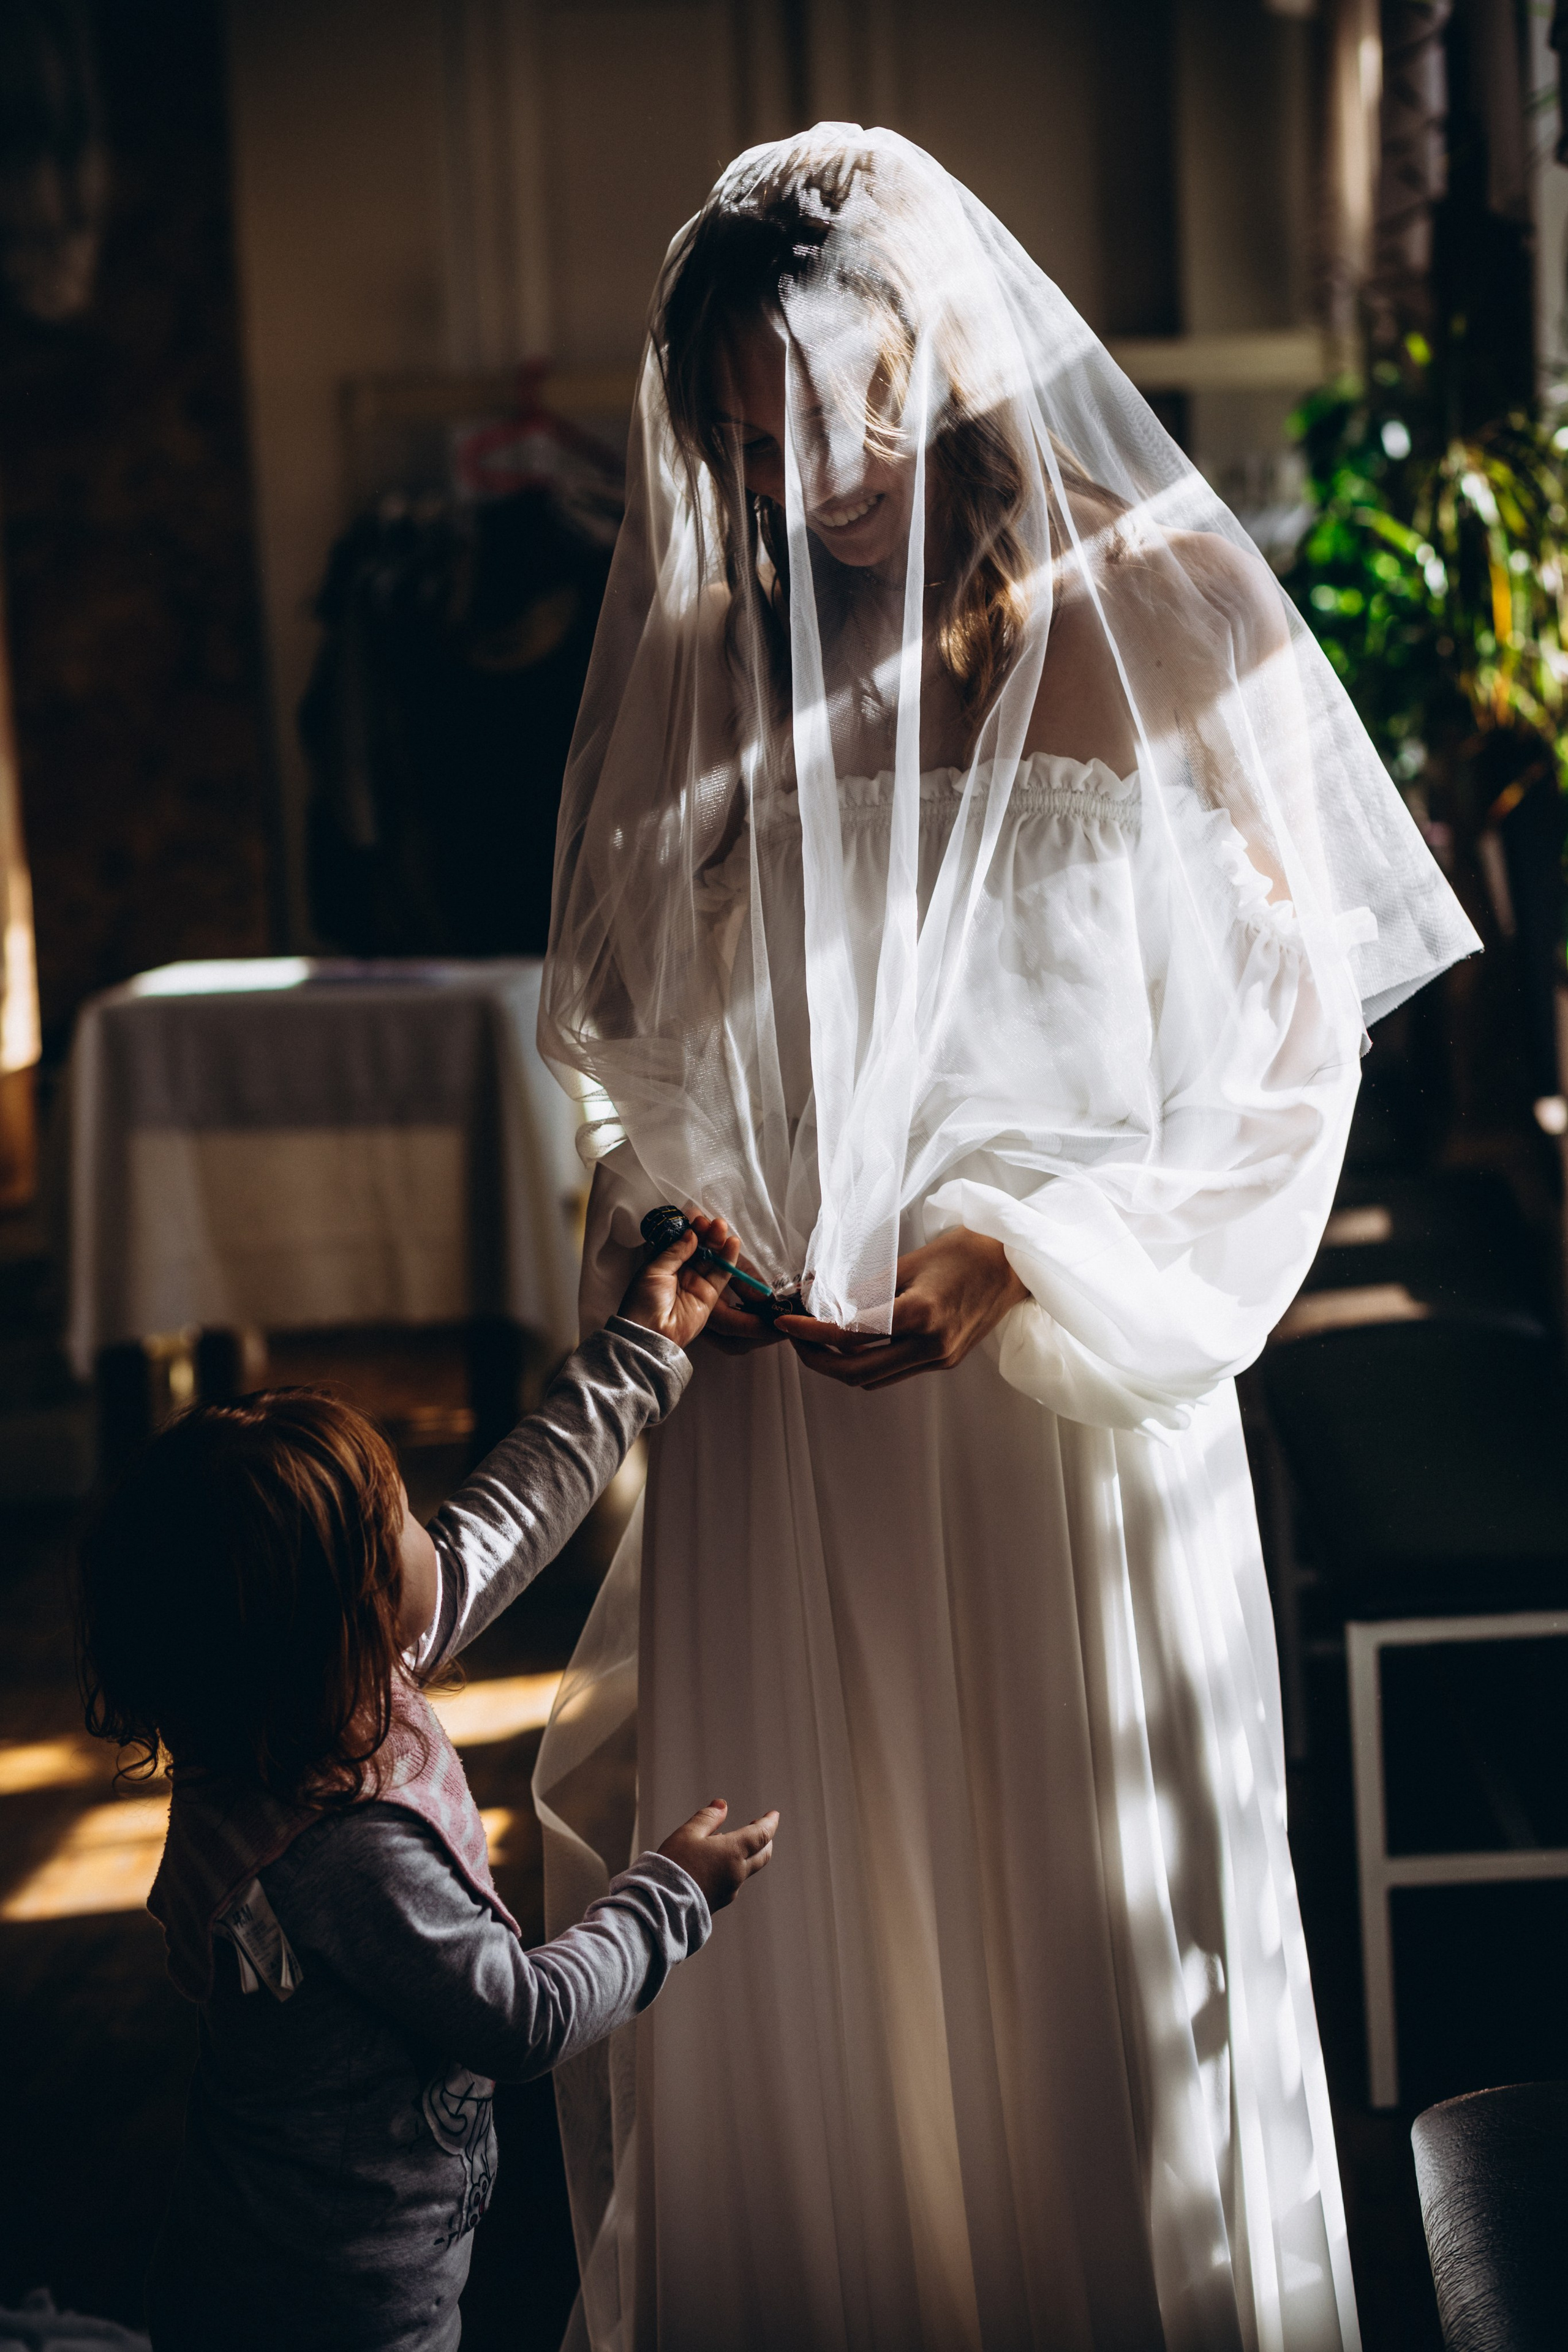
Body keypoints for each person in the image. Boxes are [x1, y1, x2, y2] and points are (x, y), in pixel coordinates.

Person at [535, 126, 1479, 2351]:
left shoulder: (1157, 606)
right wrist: (676, 1221)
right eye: (735, 449)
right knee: (829, 1961)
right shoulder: (723, 658)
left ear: (932, 356)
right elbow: (635, 1058)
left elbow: (1289, 1060)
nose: (788, 489)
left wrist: (1030, 1260)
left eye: (817, 424)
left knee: (1088, 1954)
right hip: (793, 1443)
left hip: (1064, 1420)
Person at [74, 1215, 777, 2352]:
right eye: (397, 1517)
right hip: (344, 2302)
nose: (426, 1524)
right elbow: (525, 2012)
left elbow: (508, 1520)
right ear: (348, 1614)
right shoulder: (345, 1851)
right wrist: (673, 1895)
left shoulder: (289, 1697)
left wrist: (644, 1348)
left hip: (264, 2247)